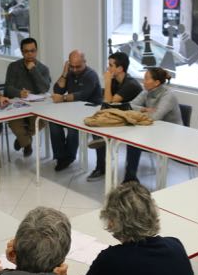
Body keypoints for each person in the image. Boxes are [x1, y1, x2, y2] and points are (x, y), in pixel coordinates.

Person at [87, 51, 143, 182]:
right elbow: (106, 105)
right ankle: (101, 167)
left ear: (120, 68)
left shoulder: (130, 84)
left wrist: (106, 83)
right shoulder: (115, 81)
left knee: (133, 142)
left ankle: (130, 177)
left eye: (111, 65)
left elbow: (110, 103)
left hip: (135, 124)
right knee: (97, 126)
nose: (108, 68)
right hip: (121, 119)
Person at [123, 67, 182, 183]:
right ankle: (130, 179)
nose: (143, 81)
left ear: (156, 82)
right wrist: (144, 109)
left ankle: (130, 177)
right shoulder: (147, 91)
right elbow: (130, 105)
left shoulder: (168, 95)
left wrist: (143, 112)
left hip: (171, 135)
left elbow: (155, 117)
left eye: (146, 79)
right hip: (153, 129)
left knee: (135, 140)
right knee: (132, 140)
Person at [51, 50, 102, 171]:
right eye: (71, 66)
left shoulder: (91, 75)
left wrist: (62, 98)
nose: (74, 69)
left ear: (85, 62)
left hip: (90, 111)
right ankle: (60, 156)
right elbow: (57, 90)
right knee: (53, 123)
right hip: (72, 109)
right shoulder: (69, 73)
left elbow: (82, 95)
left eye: (77, 66)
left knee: (72, 128)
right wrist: (64, 73)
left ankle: (69, 156)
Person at [4, 37, 52, 157]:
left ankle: (23, 140)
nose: (30, 54)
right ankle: (26, 143)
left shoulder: (43, 69)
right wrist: (19, 92)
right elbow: (7, 88)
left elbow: (44, 88)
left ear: (36, 51)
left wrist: (33, 70)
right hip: (17, 105)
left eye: (32, 50)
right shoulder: (13, 67)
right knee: (14, 124)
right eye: (26, 51)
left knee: (40, 123)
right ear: (22, 52)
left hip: (36, 106)